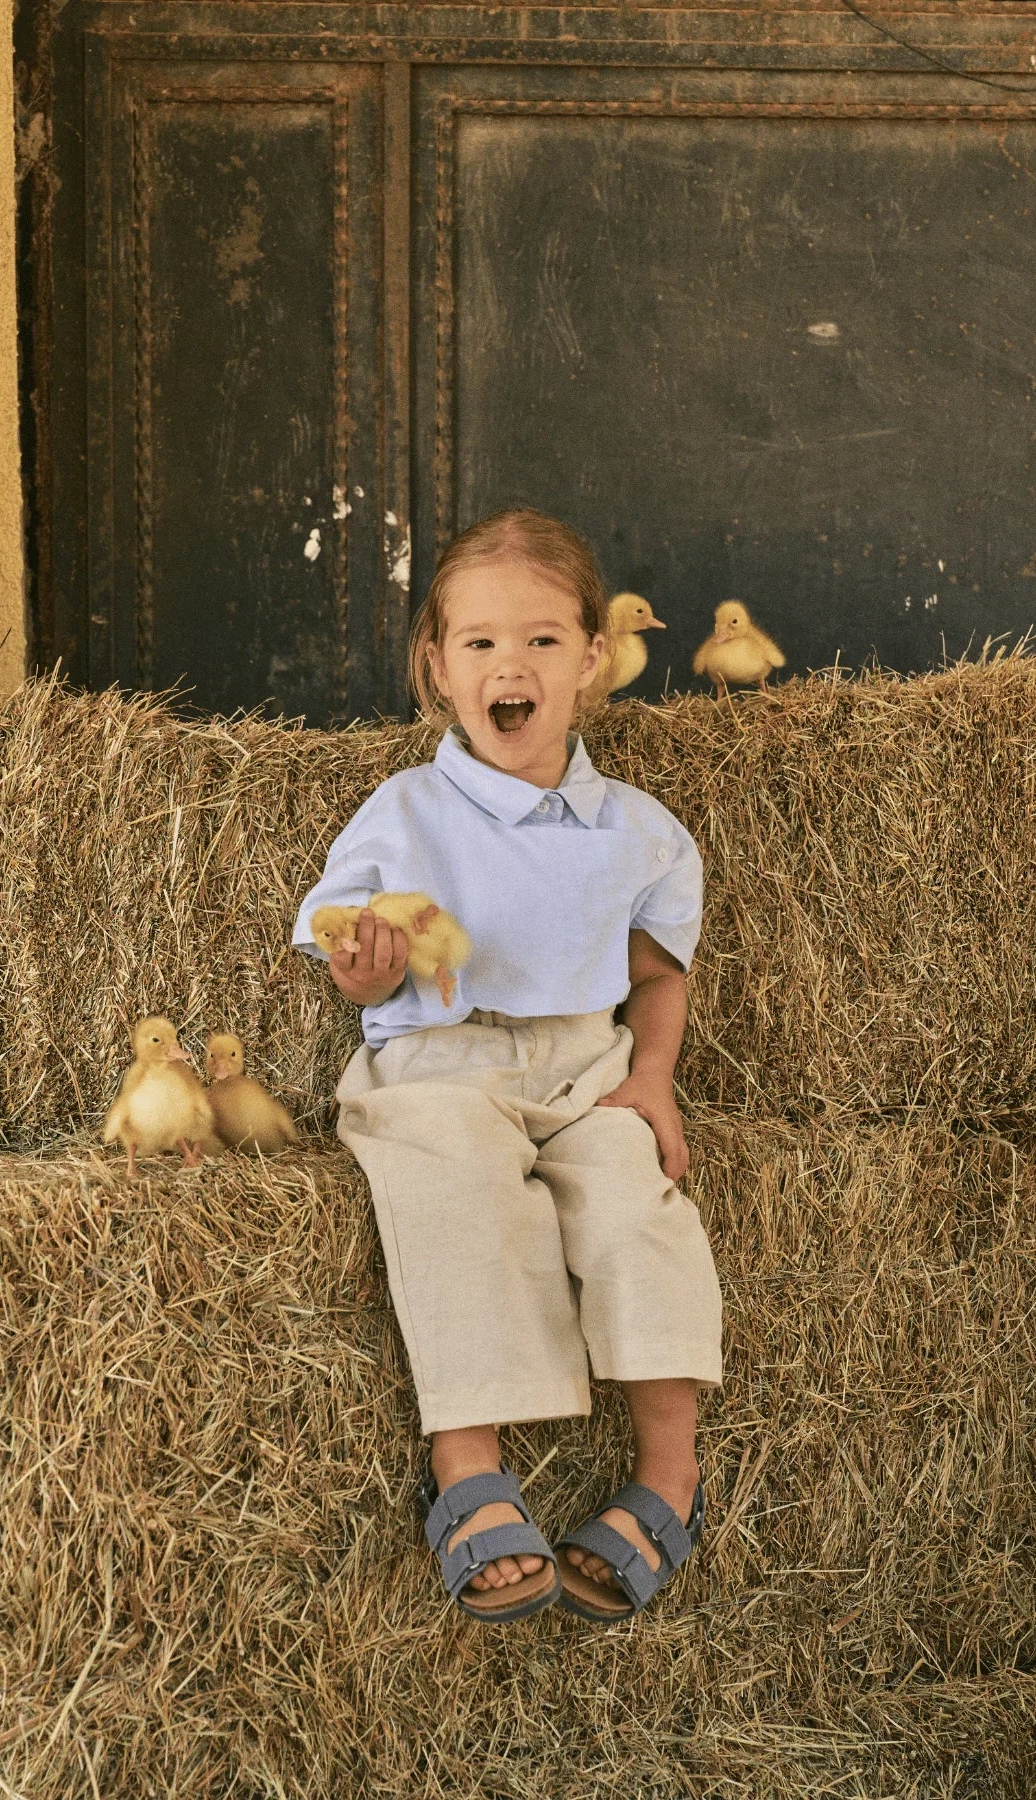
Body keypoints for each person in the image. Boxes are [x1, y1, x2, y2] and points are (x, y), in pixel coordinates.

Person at [292, 508, 722, 1625]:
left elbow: (655, 973)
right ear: (438, 668)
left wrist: (653, 1076)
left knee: (639, 1205)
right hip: (443, 1061)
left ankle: (669, 1467)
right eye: (479, 643)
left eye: (539, 639)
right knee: (455, 1193)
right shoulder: (406, 811)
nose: (509, 664)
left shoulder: (642, 831)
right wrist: (368, 967)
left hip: (586, 1063)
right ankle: (467, 1457)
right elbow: (353, 955)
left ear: (590, 660)